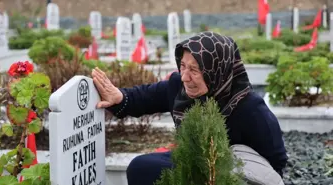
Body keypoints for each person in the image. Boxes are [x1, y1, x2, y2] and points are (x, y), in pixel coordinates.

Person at [91, 31, 288, 185]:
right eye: (183, 66)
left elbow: (276, 162)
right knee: (141, 168)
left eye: (194, 69)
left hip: (231, 173)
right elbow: (145, 96)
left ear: (216, 70)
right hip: (192, 159)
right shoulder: (180, 87)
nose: (185, 76)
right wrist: (120, 97)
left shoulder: (250, 108)